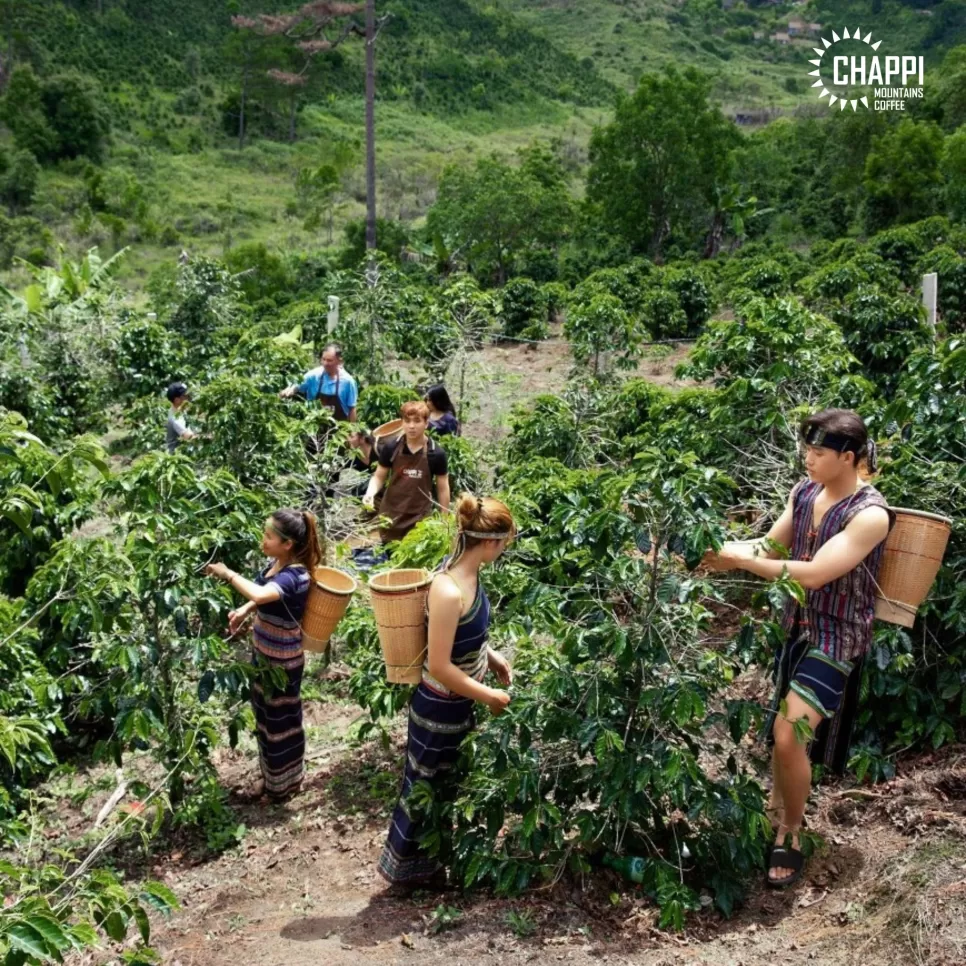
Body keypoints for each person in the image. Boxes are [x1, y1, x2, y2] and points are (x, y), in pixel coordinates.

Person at [703, 409, 894, 888]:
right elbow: (768, 548)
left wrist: (739, 563)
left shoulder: (870, 515)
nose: (807, 460)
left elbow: (812, 574)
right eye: (806, 450)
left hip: (837, 635)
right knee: (786, 734)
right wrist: (715, 550)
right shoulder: (804, 493)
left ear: (847, 457)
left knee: (789, 733)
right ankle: (775, 807)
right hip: (797, 627)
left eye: (817, 453)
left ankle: (791, 828)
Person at [378, 494, 516, 886]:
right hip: (439, 708)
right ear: (489, 542)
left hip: (459, 705)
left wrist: (491, 656)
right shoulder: (449, 589)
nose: (504, 549)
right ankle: (408, 872)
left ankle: (434, 866)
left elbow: (463, 639)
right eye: (504, 542)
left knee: (445, 784)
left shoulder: (470, 577)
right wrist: (487, 695)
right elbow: (439, 664)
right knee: (424, 787)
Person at [205, 509, 319, 802]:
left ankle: (284, 787)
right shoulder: (276, 564)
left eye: (269, 536)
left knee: (282, 724)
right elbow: (263, 595)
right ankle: (273, 780)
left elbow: (261, 593)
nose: (263, 540)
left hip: (282, 664)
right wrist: (244, 611)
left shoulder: (296, 575)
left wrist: (228, 574)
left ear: (288, 544)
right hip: (264, 656)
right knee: (265, 720)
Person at [364, 401, 451, 544]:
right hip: (391, 516)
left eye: (417, 421)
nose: (411, 426)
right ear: (402, 423)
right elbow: (379, 477)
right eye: (407, 421)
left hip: (419, 519)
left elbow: (443, 488)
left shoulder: (436, 453)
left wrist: (445, 518)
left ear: (426, 423)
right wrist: (370, 493)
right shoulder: (391, 447)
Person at [279, 343, 358, 424]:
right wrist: (289, 390)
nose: (325, 363)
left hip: (339, 429)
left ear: (339, 361)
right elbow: (297, 385)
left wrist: (353, 431)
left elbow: (352, 408)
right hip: (314, 426)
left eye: (329, 360)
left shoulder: (348, 381)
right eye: (323, 359)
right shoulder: (313, 375)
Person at [166, 382, 196, 454]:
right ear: (177, 400)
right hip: (178, 460)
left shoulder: (181, 410)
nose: (189, 397)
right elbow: (190, 438)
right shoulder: (176, 419)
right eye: (186, 395)